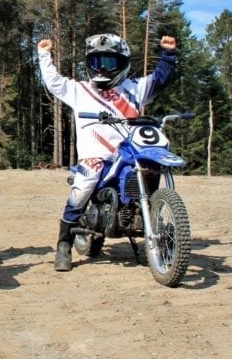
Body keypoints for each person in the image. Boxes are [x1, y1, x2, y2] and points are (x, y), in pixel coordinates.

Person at [37, 33, 177, 271]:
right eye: (96, 61)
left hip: (131, 152)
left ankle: (153, 231)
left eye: (109, 62)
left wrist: (168, 54)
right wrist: (44, 55)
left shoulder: (134, 88)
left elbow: (160, 79)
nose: (101, 67)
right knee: (82, 189)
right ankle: (63, 245)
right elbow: (54, 82)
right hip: (94, 155)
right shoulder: (80, 90)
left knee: (151, 175)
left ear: (122, 63)